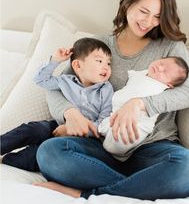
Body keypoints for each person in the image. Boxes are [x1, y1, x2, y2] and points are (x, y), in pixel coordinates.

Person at [35, 0, 189, 200]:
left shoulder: (170, 48)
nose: (148, 22)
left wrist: (140, 104)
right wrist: (70, 113)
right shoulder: (99, 46)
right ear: (127, 3)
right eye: (143, 12)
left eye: (157, 16)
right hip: (101, 145)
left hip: (152, 148)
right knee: (50, 153)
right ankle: (141, 185)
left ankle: (87, 192)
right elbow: (58, 86)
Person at [0, 38, 113, 171]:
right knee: (35, 129)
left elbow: (104, 123)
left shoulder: (106, 90)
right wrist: (55, 60)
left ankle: (6, 160)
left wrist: (73, 129)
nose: (106, 67)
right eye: (99, 61)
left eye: (109, 63)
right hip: (57, 126)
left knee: (40, 154)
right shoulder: (66, 81)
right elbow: (41, 80)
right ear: (77, 66)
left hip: (85, 139)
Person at [99, 56, 189, 158]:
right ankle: (104, 131)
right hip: (116, 111)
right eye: (161, 63)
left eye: (165, 72)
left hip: (140, 122)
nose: (159, 68)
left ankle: (114, 148)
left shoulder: (160, 88)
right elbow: (133, 75)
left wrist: (137, 104)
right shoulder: (143, 73)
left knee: (125, 137)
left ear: (169, 85)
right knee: (108, 123)